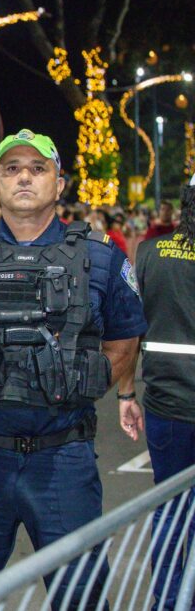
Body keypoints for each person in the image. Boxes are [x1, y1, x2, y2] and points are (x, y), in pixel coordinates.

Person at [0, 129, 146, 606]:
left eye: (38, 169)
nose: (24, 177)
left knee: (80, 596)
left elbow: (125, 338)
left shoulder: (100, 256)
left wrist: (78, 388)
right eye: (12, 169)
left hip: (63, 458)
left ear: (59, 184)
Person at [130, 173, 195, 609]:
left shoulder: (150, 252)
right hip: (169, 401)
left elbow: (129, 328)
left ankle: (167, 600)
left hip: (166, 403)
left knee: (170, 507)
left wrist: (125, 393)